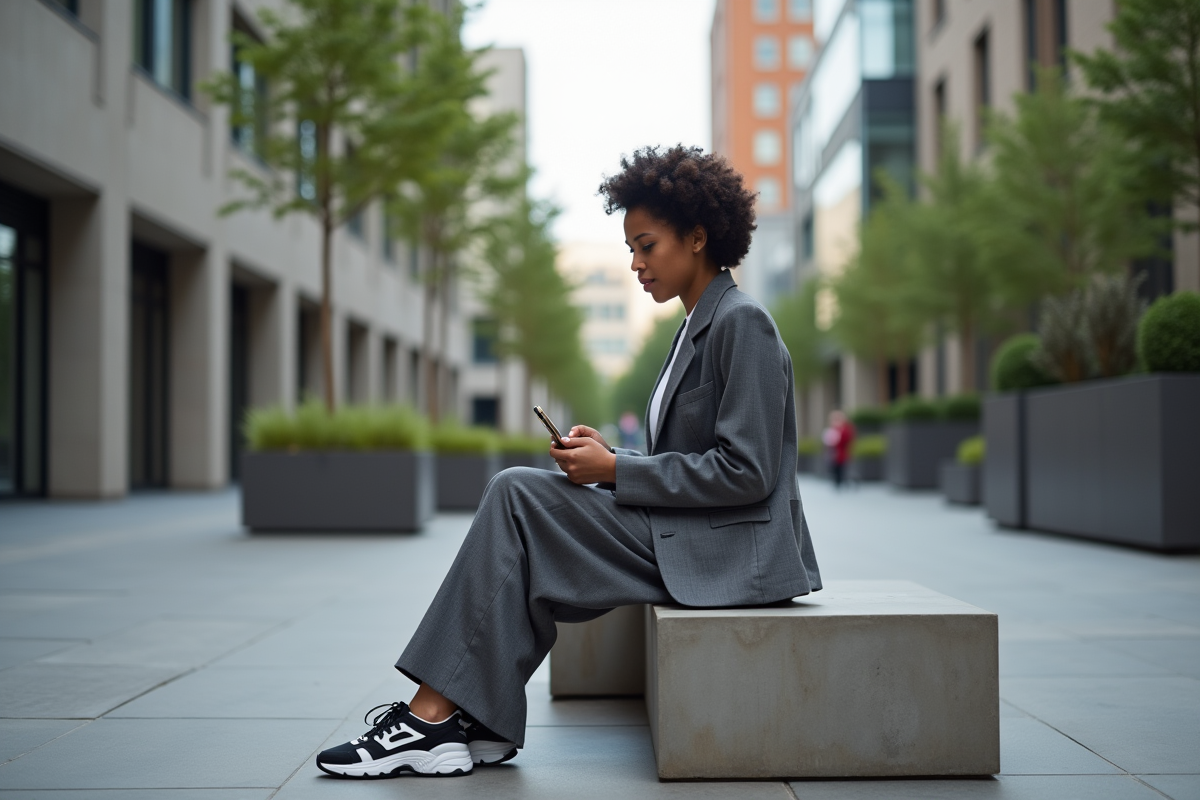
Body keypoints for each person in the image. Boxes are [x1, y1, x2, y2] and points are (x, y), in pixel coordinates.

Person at [314, 145, 823, 779]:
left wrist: (614, 472)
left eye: (646, 245)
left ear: (697, 238)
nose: (635, 264)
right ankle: (467, 717)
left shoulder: (742, 324)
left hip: (731, 552)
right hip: (696, 531)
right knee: (522, 505)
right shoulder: (695, 323)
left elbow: (748, 472)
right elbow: (692, 459)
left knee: (516, 494)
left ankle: (435, 717)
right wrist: (611, 457)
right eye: (630, 248)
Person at [822, 410, 855, 489]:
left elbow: (848, 440)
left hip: (842, 453)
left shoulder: (845, 429)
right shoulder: (832, 429)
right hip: (833, 454)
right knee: (835, 469)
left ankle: (843, 482)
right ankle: (837, 483)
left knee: (842, 469)